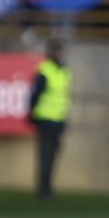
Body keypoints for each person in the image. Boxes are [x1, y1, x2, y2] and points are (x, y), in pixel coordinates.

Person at [26, 39, 69, 199]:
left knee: (53, 155)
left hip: (59, 119)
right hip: (45, 119)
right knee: (45, 154)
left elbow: (63, 97)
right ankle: (43, 188)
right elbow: (35, 94)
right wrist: (32, 112)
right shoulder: (45, 70)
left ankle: (48, 186)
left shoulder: (64, 71)